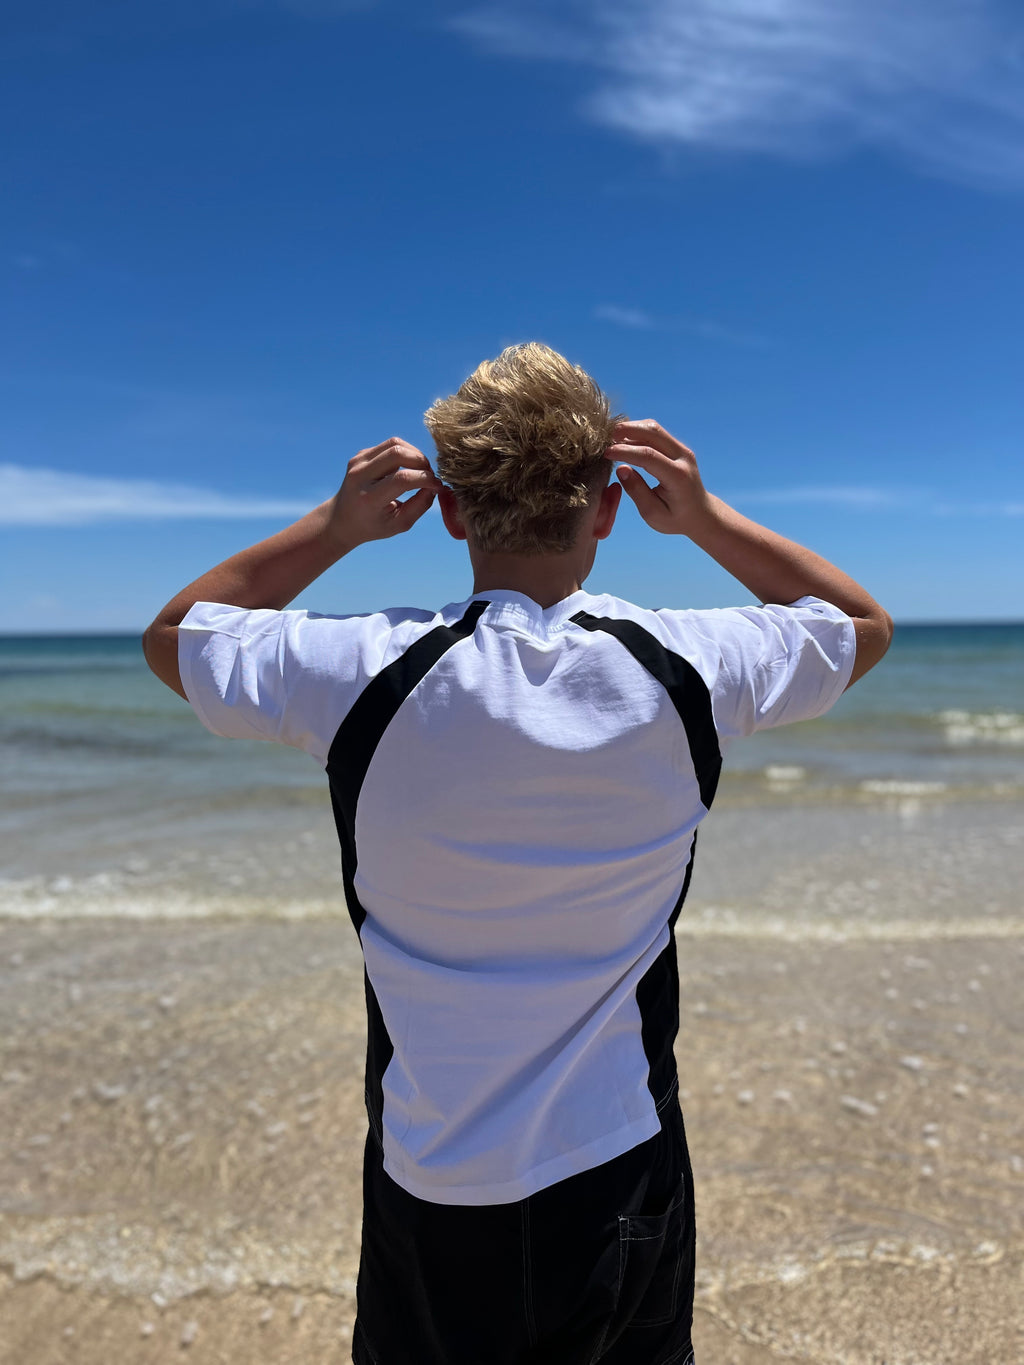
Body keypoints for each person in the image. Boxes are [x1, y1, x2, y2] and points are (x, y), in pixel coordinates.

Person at [143, 342, 892, 1365]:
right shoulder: (686, 664)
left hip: (432, 1171)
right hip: (619, 1157)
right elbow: (858, 623)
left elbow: (178, 634)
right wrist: (708, 519)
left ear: (451, 510)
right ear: (609, 507)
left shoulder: (357, 667)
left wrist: (336, 527)